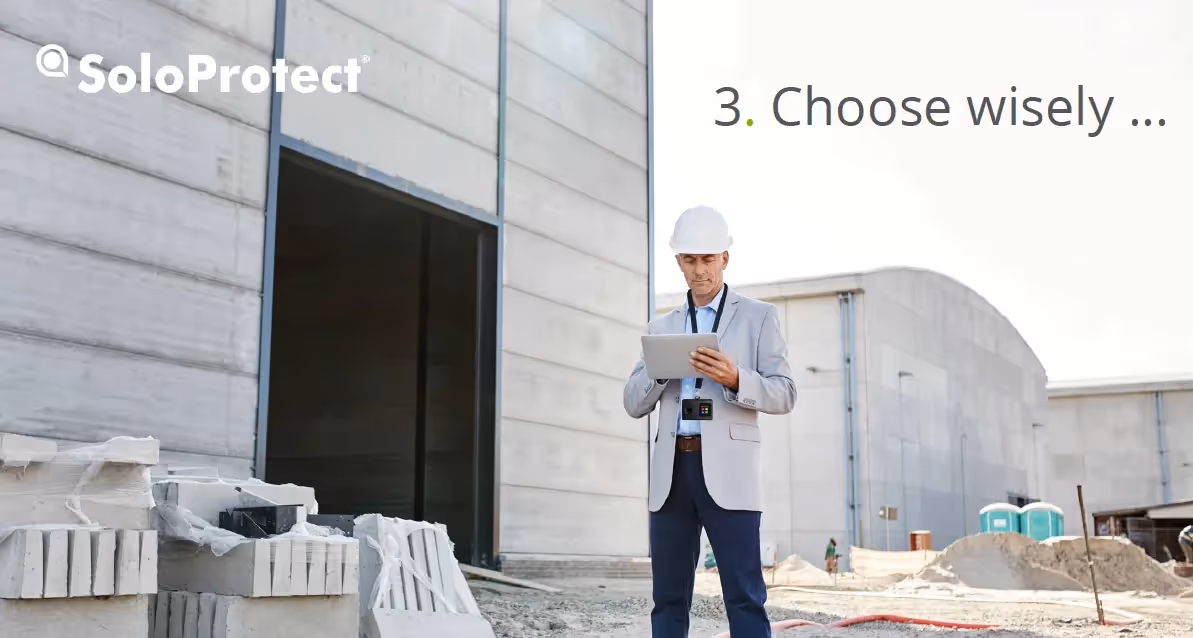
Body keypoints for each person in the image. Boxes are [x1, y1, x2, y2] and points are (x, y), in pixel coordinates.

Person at [624, 205, 798, 638]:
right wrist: (660, 370)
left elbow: (785, 392)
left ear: (725, 258)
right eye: (689, 260)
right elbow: (632, 402)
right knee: (667, 599)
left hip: (730, 474)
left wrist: (736, 378)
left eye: (707, 259)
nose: (699, 270)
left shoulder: (758, 317)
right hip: (672, 475)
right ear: (679, 262)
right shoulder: (661, 327)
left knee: (743, 596)